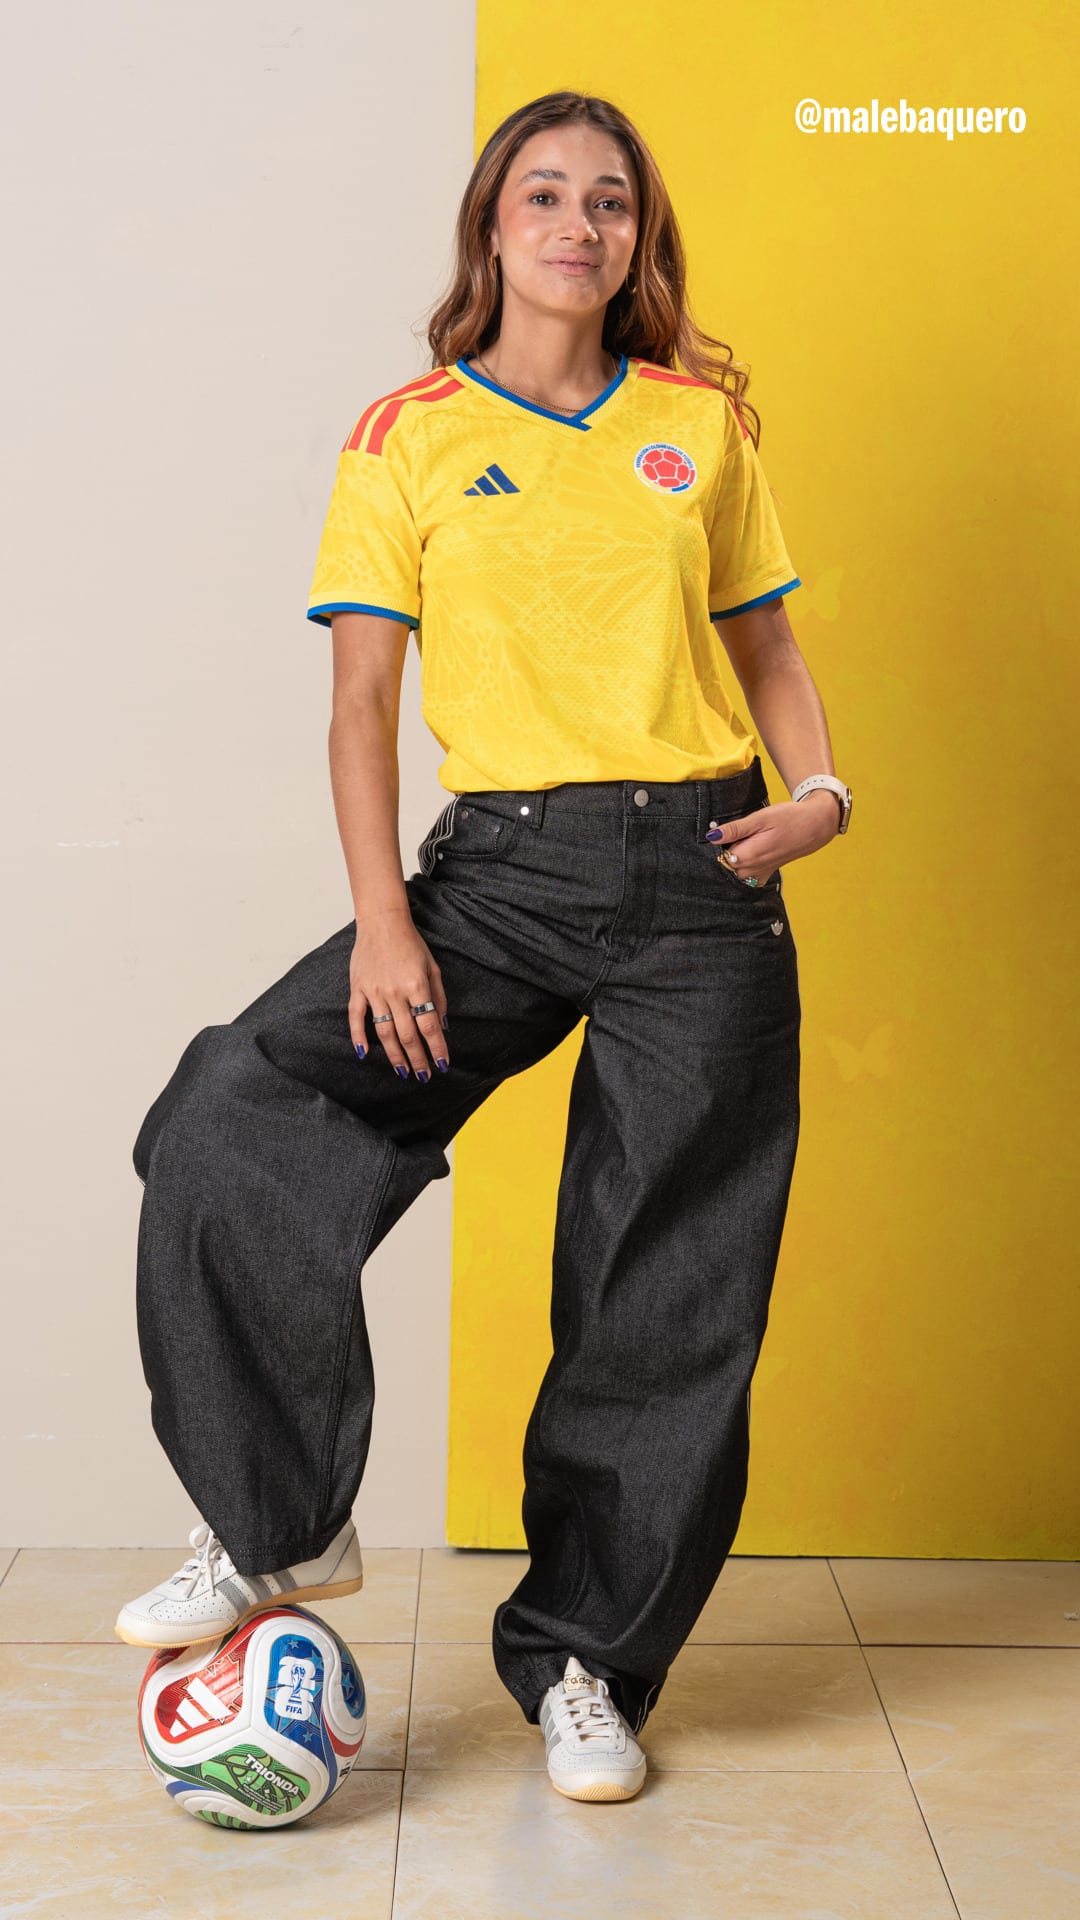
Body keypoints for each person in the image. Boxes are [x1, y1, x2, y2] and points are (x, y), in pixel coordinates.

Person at [115, 88, 852, 1806]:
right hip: (495, 878)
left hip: (702, 879)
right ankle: (279, 1526)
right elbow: (362, 700)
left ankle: (589, 1660)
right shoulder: (410, 432)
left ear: (634, 239)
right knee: (234, 1116)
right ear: (492, 226)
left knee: (662, 1286)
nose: (579, 226)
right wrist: (385, 919)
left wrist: (819, 790)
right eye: (545, 194)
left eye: (611, 203)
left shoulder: (699, 425)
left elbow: (774, 644)